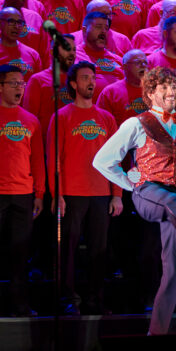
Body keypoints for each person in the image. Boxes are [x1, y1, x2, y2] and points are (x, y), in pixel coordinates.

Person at [93, 67, 176, 335]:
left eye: (174, 87)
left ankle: (156, 333)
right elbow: (102, 161)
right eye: (164, 87)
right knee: (175, 206)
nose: (171, 91)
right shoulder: (136, 123)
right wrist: (129, 182)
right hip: (147, 193)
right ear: (150, 94)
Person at [49, 61, 121, 315]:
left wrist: (117, 195)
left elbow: (115, 159)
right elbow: (54, 157)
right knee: (67, 249)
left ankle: (95, 299)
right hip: (71, 194)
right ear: (73, 83)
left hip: (101, 194)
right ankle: (68, 299)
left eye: (93, 77)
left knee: (99, 250)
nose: (91, 82)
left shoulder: (107, 118)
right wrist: (57, 194)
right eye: (84, 78)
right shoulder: (61, 116)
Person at [0, 64, 44, 317]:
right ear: (1, 86)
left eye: (22, 83)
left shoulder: (31, 120)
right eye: (14, 83)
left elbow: (38, 160)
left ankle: (20, 304)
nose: (19, 87)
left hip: (23, 194)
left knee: (20, 253)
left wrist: (39, 194)